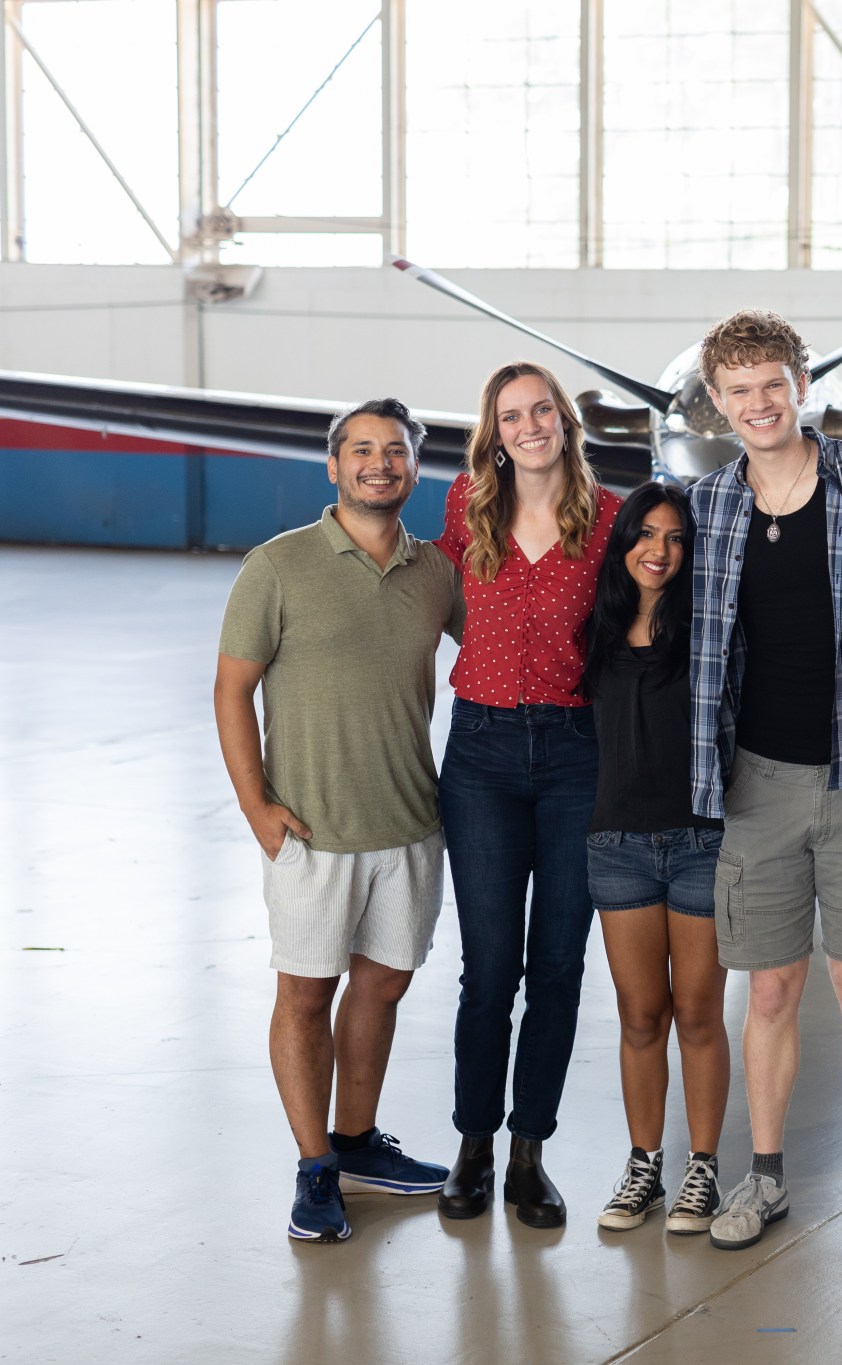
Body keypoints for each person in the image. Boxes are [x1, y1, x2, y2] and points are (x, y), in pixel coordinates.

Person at [686, 310, 842, 1259]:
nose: (759, 404)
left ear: (803, 384)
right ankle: (768, 1170)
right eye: (739, 391)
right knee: (772, 989)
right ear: (717, 401)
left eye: (773, 385)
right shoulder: (708, 505)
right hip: (755, 779)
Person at [214, 397, 463, 1243]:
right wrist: (258, 808)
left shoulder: (436, 571)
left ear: (413, 466)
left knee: (385, 981)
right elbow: (231, 690)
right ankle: (315, 1164)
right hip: (311, 832)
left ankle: (357, 1141)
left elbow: (504, 644)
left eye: (395, 450)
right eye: (361, 449)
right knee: (305, 991)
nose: (379, 463)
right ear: (333, 465)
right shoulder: (277, 566)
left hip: (409, 822)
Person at [435, 362, 624, 1229]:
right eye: (512, 415)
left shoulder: (611, 519)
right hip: (480, 750)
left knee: (557, 965)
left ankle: (528, 1153)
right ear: (495, 430)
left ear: (563, 419)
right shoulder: (465, 509)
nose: (529, 425)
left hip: (576, 753)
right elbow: (439, 603)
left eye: (541, 408)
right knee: (488, 968)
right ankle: (474, 1142)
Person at [581, 482, 728, 1235]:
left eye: (674, 538)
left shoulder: (705, 628)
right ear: (624, 541)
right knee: (641, 1014)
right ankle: (645, 1163)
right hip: (619, 845)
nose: (659, 550)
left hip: (702, 841)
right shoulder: (597, 629)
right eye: (645, 534)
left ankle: (702, 1167)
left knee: (699, 1011)